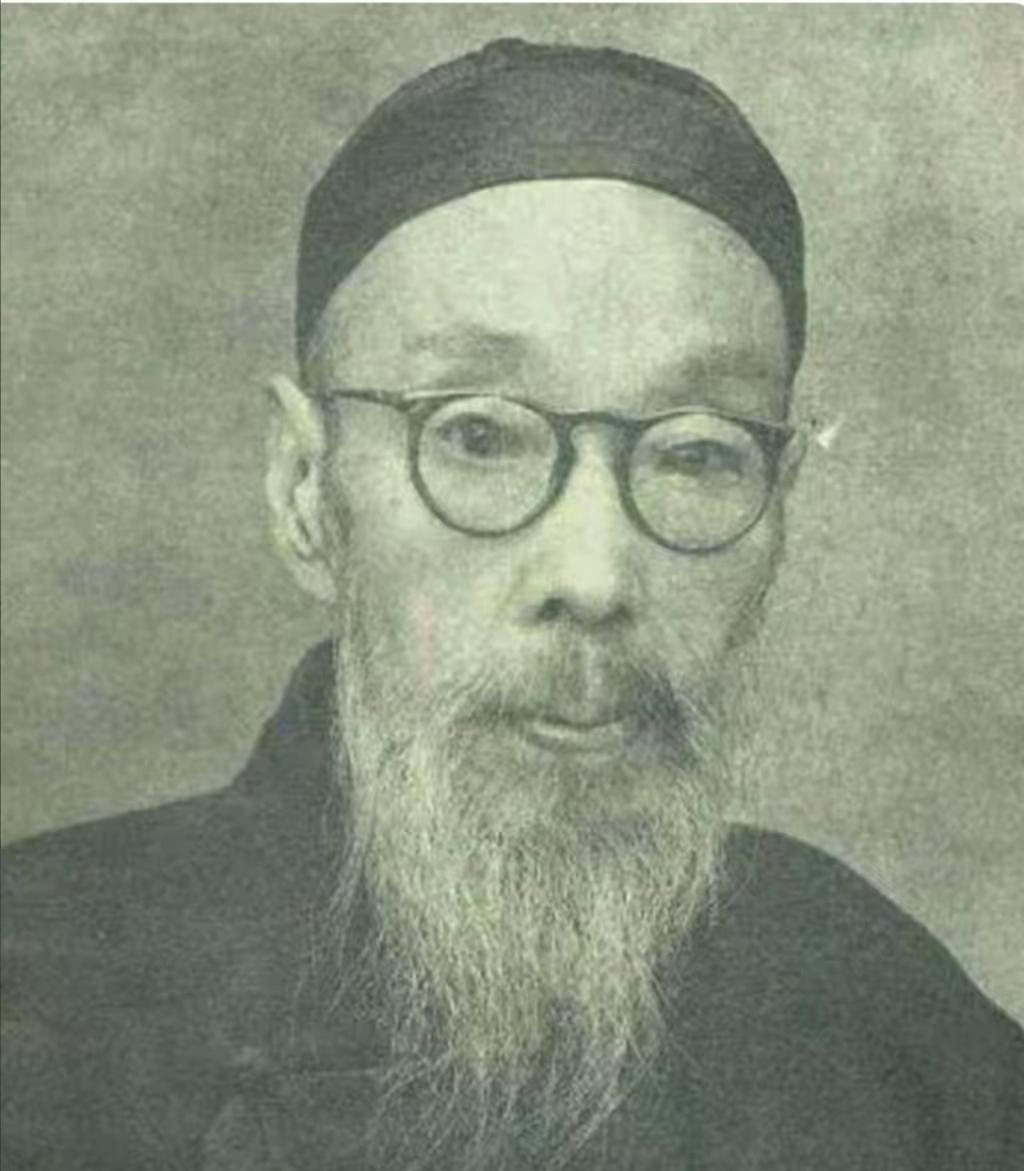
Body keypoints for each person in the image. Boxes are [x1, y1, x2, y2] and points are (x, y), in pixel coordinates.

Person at [2, 39, 1021, 1171]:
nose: (594, 576)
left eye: (696, 453)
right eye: (478, 437)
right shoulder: (40, 998)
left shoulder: (874, 1019)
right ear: (305, 492)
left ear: (780, 503)